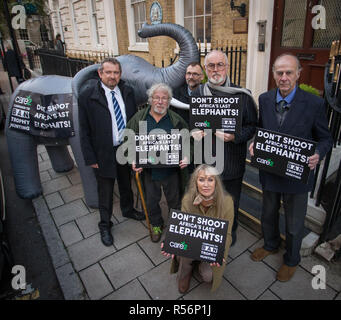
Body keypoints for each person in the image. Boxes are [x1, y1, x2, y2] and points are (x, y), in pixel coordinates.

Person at [249, 53, 333, 282]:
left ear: (298, 74)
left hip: (297, 176)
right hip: (270, 171)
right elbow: (261, 128)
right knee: (268, 213)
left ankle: (292, 259)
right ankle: (270, 244)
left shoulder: (314, 103)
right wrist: (256, 143)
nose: (284, 77)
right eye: (279, 72)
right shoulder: (265, 99)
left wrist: (318, 154)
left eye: (289, 72)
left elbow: (326, 138)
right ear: (274, 74)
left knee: (295, 223)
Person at [192, 50, 258, 245]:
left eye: (220, 64)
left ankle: (230, 233)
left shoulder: (242, 95)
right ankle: (209, 235)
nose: (215, 69)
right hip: (205, 163)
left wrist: (234, 136)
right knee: (206, 202)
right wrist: (194, 133)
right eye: (211, 66)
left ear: (227, 67)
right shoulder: (197, 93)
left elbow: (252, 126)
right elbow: (192, 124)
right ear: (205, 70)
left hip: (231, 163)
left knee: (230, 203)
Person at [78, 57, 145, 247]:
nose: (112, 76)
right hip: (103, 151)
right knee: (105, 189)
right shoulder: (88, 95)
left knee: (126, 183)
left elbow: (134, 120)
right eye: (108, 72)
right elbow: (84, 129)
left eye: (116, 72)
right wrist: (90, 156)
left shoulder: (127, 91)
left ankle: (128, 209)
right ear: (100, 73)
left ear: (120, 74)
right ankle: (105, 224)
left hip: (124, 148)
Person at [128, 83, 189, 242]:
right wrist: (133, 158)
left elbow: (189, 141)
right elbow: (127, 140)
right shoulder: (139, 118)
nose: (160, 101)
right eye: (157, 98)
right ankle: (156, 225)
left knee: (175, 201)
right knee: (150, 201)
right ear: (150, 100)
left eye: (164, 98)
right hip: (149, 172)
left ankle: (176, 226)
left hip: (171, 172)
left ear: (168, 101)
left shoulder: (176, 120)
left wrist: (187, 157)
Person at [161, 164, 234, 293]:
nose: (206, 185)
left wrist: (222, 251)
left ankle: (200, 264)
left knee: (208, 276)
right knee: (183, 254)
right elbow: (182, 228)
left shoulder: (227, 202)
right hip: (191, 244)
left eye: (210, 180)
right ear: (196, 182)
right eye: (201, 180)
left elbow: (227, 234)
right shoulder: (188, 199)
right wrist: (170, 243)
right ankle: (185, 273)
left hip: (210, 247)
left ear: (216, 182)